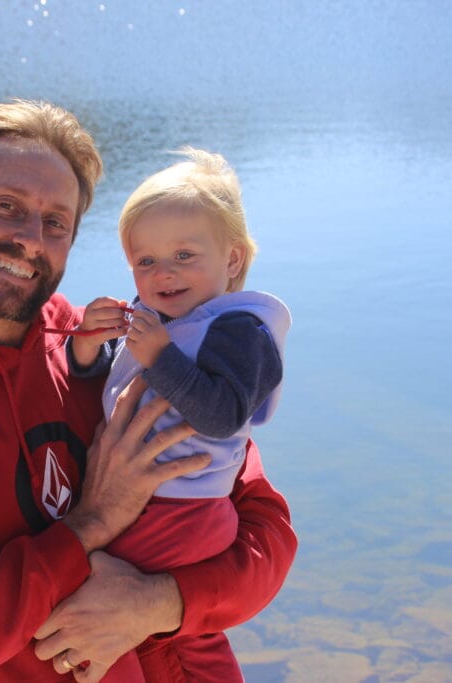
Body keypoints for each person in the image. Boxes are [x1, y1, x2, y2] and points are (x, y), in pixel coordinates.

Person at [0, 100, 297, 682]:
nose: (29, 240)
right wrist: (89, 523)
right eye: (6, 206)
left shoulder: (108, 351)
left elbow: (266, 537)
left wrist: (160, 603)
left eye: (56, 222)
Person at [62, 148, 291, 680]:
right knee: (184, 636)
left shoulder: (240, 330)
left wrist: (159, 356)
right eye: (145, 261)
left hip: (184, 511)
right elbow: (110, 384)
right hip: (159, 507)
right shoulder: (153, 318)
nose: (163, 273)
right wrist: (87, 347)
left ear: (232, 261)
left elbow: (222, 414)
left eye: (184, 255)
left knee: (87, 586)